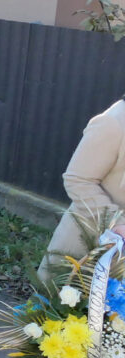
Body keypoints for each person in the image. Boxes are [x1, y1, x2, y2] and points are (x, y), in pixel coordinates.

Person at [39, 97, 125, 279]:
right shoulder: (114, 122)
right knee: (58, 304)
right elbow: (78, 180)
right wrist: (118, 223)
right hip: (85, 251)